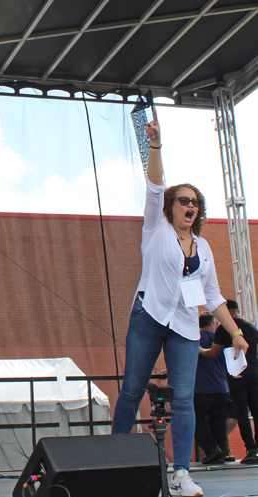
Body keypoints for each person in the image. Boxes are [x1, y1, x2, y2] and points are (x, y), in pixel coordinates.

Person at [111, 107, 248, 497]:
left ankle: (181, 473)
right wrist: (155, 143)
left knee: (184, 400)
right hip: (149, 316)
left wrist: (235, 333)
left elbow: (212, 297)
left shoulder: (203, 248)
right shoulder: (155, 227)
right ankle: (114, 458)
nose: (190, 206)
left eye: (196, 203)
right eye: (184, 200)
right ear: (171, 206)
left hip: (186, 328)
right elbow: (155, 185)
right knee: (133, 389)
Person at [200, 299, 258, 464]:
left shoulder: (224, 328)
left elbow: (213, 353)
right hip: (254, 373)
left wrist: (200, 351)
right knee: (256, 410)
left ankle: (251, 450)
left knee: (242, 413)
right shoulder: (251, 326)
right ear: (237, 310)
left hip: (236, 374)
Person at [194, 313, 228, 465]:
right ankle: (222, 450)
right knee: (219, 421)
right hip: (221, 387)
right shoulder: (219, 339)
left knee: (197, 420)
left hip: (200, 387)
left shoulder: (194, 338)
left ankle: (212, 449)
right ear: (213, 323)